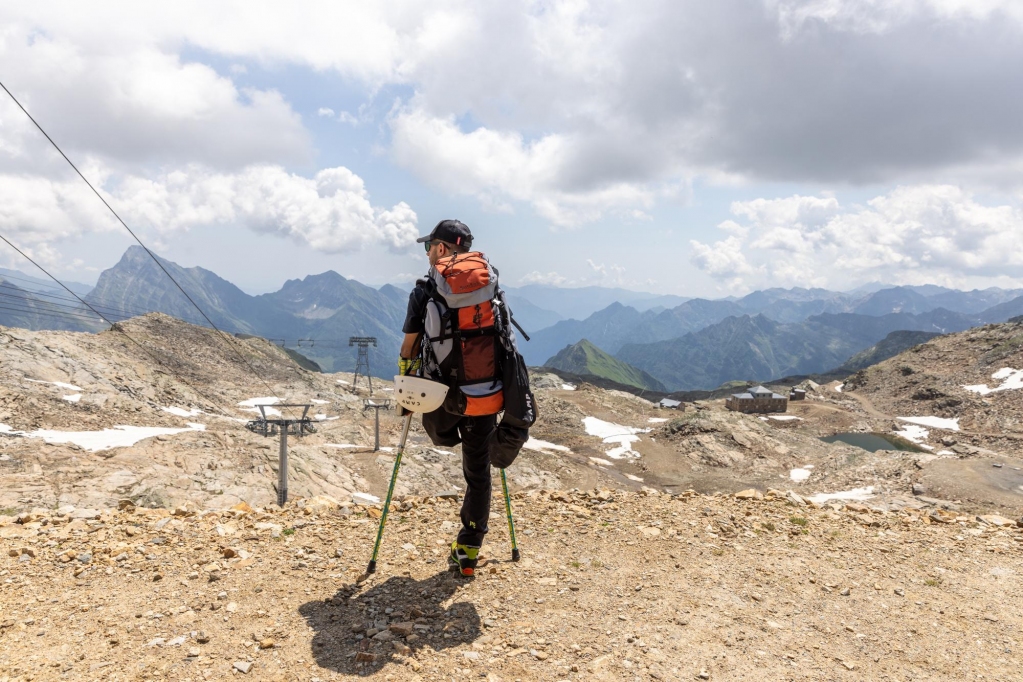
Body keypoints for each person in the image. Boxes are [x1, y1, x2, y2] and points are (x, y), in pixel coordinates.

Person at [400, 219, 497, 576]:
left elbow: (410, 346)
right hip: (484, 392)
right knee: (479, 471)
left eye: (429, 246)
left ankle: (449, 434)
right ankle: (469, 549)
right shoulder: (490, 286)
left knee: (442, 435)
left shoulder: (425, 290)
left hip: (441, 396)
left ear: (441, 248)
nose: (427, 252)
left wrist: (406, 385)